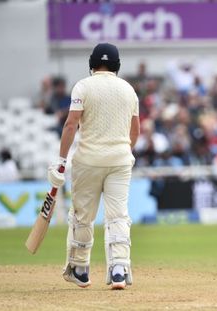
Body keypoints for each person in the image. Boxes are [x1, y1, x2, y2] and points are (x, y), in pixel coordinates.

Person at [47, 43, 140, 290]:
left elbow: (70, 124)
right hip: (120, 160)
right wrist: (123, 152)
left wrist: (61, 161)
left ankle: (80, 269)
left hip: (88, 160)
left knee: (82, 216)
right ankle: (119, 268)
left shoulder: (83, 86)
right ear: (117, 64)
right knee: (118, 214)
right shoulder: (129, 90)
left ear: (92, 63)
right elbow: (136, 130)